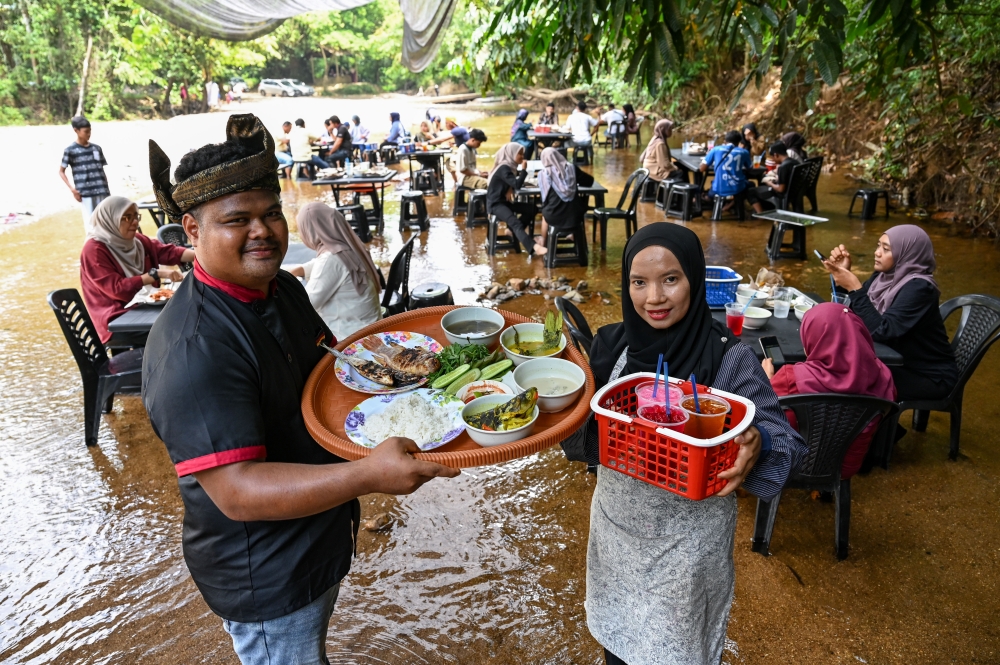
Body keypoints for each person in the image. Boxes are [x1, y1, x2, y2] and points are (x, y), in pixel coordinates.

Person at [142, 114, 459, 665]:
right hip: (265, 568)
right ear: (191, 231)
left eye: (270, 213)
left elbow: (330, 374)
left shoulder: (280, 286)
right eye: (236, 220)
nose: (261, 231)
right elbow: (236, 490)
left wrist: (417, 396)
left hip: (316, 533)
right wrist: (369, 474)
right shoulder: (195, 349)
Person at [560, 223, 805, 665]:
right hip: (617, 537)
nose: (653, 297)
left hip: (687, 555)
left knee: (678, 653)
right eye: (639, 282)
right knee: (616, 647)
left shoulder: (729, 358)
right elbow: (581, 443)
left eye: (670, 279)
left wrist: (758, 442)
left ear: (694, 278)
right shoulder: (611, 347)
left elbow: (786, 442)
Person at [823, 225, 958, 403]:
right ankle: (875, 428)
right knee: (833, 365)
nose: (877, 253)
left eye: (886, 249)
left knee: (847, 378)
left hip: (925, 374)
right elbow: (858, 314)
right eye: (878, 245)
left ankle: (883, 430)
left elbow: (881, 331)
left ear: (907, 254)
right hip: (893, 359)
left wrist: (855, 288)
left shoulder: (919, 288)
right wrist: (843, 277)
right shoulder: (883, 277)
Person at [763, 303, 897, 478]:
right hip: (845, 467)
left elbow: (762, 410)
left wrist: (766, 381)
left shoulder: (792, 378)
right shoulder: (885, 377)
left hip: (790, 462)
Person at [80, 196, 194, 348]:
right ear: (110, 220)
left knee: (189, 318)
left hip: (144, 310)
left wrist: (201, 256)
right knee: (177, 331)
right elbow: (117, 289)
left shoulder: (137, 241)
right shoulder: (94, 250)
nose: (135, 222)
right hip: (116, 320)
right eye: (127, 217)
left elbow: (168, 252)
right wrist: (154, 275)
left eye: (136, 216)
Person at [287, 203, 381, 340]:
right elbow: (329, 268)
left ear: (312, 230)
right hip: (372, 326)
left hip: (350, 338)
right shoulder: (349, 247)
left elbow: (307, 304)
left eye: (302, 229)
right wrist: (300, 270)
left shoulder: (331, 259)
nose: (301, 234)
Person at [485, 143, 540, 256]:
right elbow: (517, 184)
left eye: (523, 154)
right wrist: (524, 170)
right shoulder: (504, 167)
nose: (522, 157)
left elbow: (511, 182)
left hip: (504, 202)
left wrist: (510, 187)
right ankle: (534, 247)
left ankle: (512, 231)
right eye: (519, 154)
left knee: (532, 208)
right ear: (511, 154)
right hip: (496, 204)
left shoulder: (509, 167)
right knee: (515, 223)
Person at [535, 147, 593, 252]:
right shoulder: (572, 169)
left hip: (554, 217)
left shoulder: (544, 174)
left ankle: (544, 242)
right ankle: (574, 236)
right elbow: (589, 181)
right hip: (576, 215)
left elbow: (545, 200)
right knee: (571, 207)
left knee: (545, 213)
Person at [60, 116, 111, 234]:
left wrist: (106, 188)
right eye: (86, 132)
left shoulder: (96, 148)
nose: (89, 134)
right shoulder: (70, 150)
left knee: (106, 222)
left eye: (90, 131)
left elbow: (102, 170)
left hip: (102, 190)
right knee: (91, 224)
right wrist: (73, 190)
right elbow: (61, 171)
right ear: (76, 131)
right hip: (86, 192)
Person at [699, 130, 751, 205]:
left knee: (713, 186)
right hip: (737, 188)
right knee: (750, 184)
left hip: (719, 188)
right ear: (739, 142)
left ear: (725, 141)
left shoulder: (716, 149)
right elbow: (750, 168)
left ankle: (709, 199)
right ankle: (734, 204)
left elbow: (702, 169)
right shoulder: (744, 152)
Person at [746, 141, 799, 213]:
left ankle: (760, 215)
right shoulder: (795, 162)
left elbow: (780, 189)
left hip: (782, 194)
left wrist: (769, 183)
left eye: (772, 157)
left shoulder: (783, 167)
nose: (773, 160)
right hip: (795, 191)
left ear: (776, 155)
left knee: (750, 191)